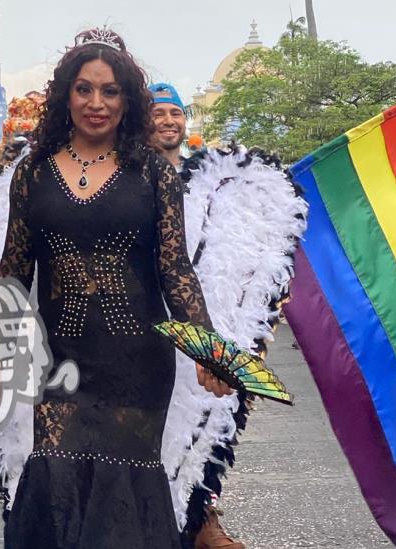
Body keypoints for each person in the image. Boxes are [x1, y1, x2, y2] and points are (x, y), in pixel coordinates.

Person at [0, 29, 231, 549]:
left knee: (124, 491)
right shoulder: (32, 172)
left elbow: (175, 269)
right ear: (66, 96)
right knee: (55, 477)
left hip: (137, 361)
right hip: (58, 358)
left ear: (129, 100)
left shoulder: (152, 173)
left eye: (110, 91)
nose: (96, 104)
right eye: (84, 89)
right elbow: (13, 270)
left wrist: (208, 349)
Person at [150, 82, 245, 549]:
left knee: (207, 416)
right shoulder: (127, 175)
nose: (169, 120)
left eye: (176, 112)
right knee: (157, 422)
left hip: (204, 311)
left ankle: (202, 516)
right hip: (144, 315)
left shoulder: (211, 179)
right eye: (158, 111)